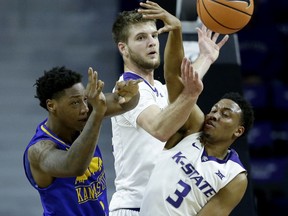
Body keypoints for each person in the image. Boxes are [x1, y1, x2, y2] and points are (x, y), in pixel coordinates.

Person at [109, 1, 228, 215]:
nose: (152, 43)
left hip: (163, 207)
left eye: (154, 35)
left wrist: (206, 58)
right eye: (141, 38)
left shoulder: (160, 90)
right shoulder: (126, 91)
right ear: (123, 48)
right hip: (135, 207)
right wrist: (191, 93)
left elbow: (184, 87)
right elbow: (160, 129)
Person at [138, 7, 255, 216]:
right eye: (215, 109)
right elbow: (174, 76)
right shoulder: (193, 127)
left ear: (238, 131)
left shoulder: (235, 176)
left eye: (225, 115)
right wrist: (176, 32)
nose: (215, 115)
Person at [23, 66, 140, 216]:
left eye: (85, 99)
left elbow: (123, 102)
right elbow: (73, 166)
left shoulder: (84, 116)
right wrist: (98, 113)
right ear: (51, 105)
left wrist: (132, 93)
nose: (84, 108)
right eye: (75, 103)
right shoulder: (39, 150)